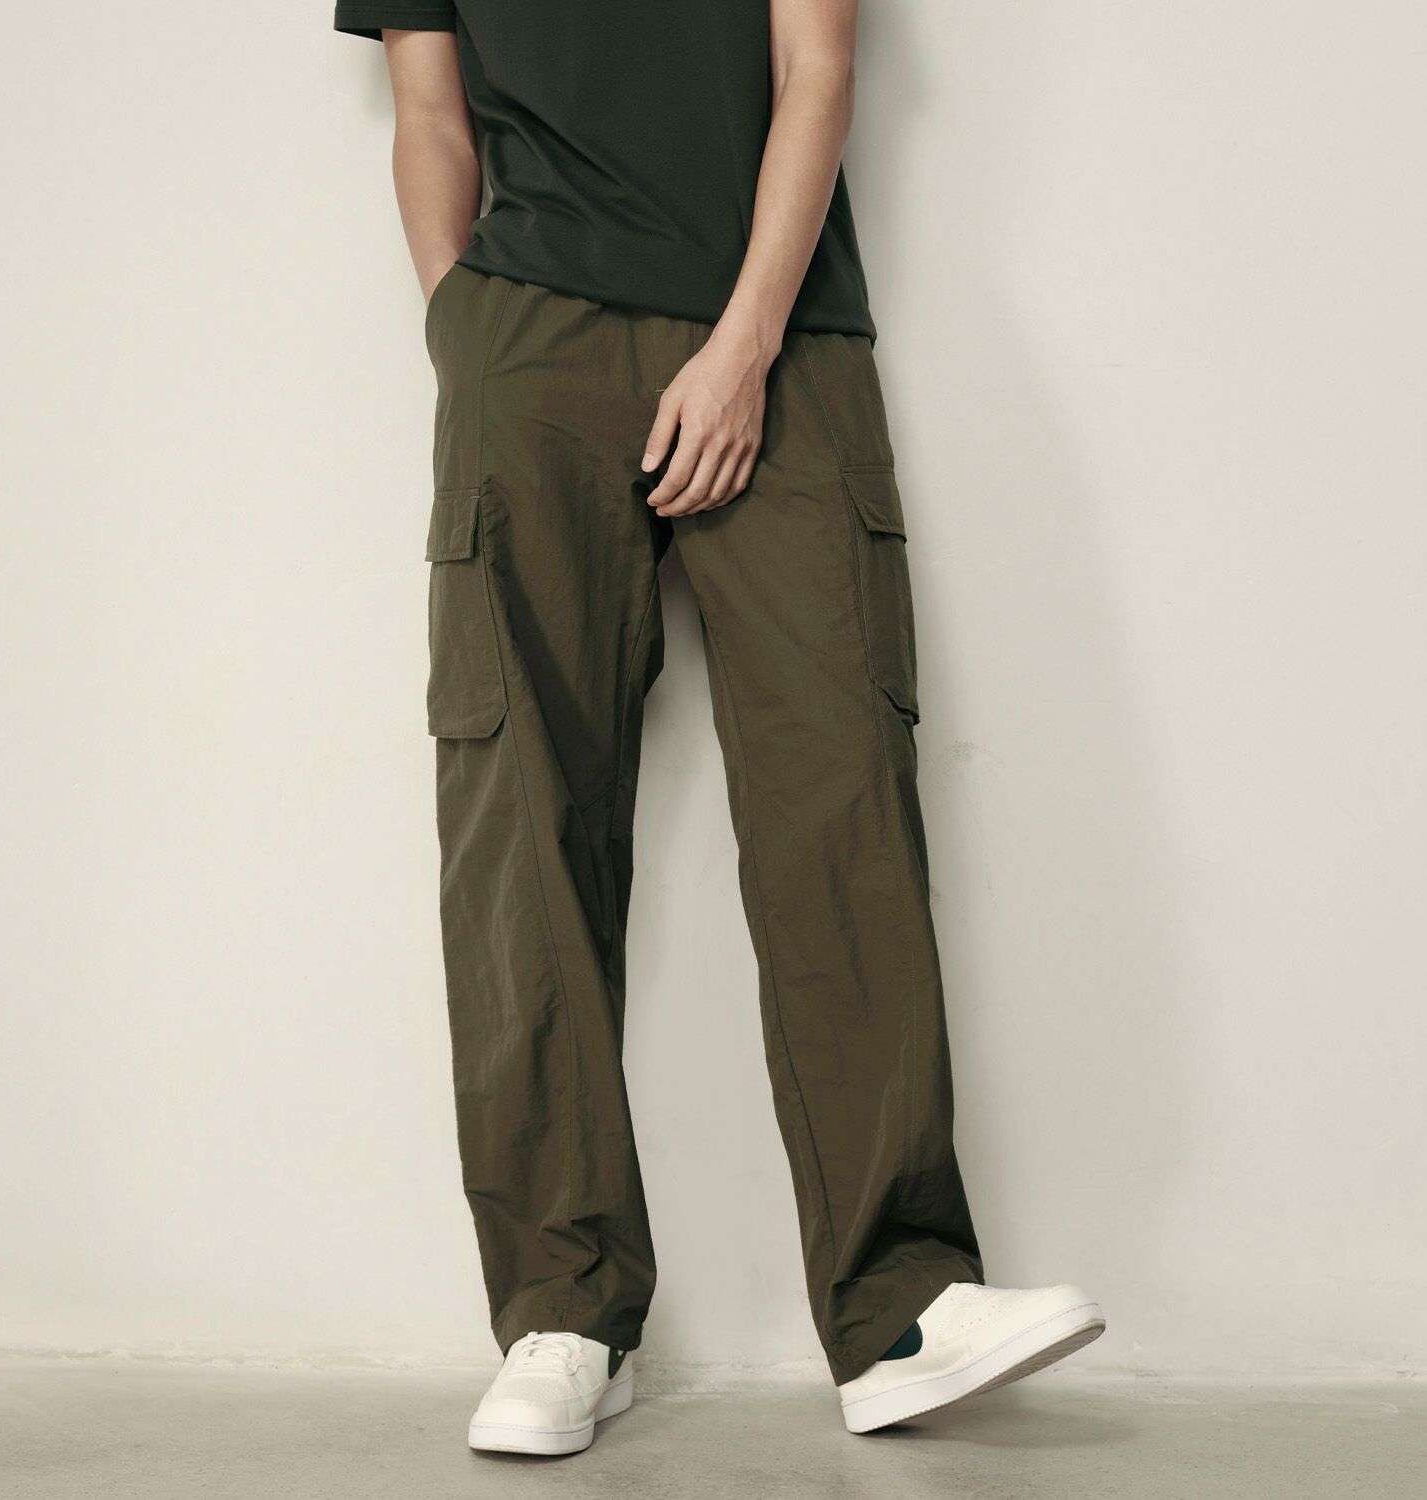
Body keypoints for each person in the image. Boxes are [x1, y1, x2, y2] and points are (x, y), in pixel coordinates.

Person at [334, 0, 1103, 1453]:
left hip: (786, 334)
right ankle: (564, 1309)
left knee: (842, 791)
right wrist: (463, 332)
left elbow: (818, 66)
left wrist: (742, 347)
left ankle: (899, 1305)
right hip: (527, 341)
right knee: (523, 817)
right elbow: (428, 112)